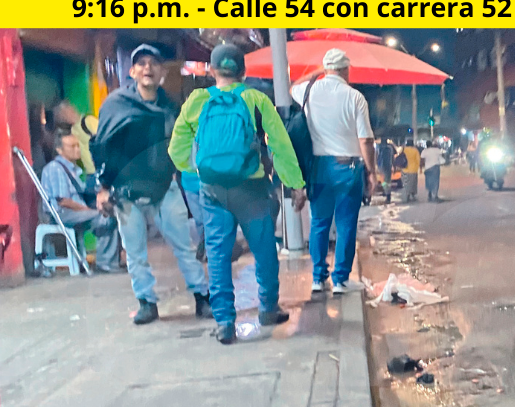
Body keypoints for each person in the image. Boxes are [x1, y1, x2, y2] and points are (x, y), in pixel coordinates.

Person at [170, 43, 307, 344]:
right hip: (252, 188)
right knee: (264, 250)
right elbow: (280, 146)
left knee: (218, 256)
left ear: (212, 70)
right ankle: (268, 308)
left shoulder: (196, 100)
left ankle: (224, 322)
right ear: (243, 72)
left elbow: (177, 149)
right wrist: (295, 184)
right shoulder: (256, 98)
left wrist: (197, 173)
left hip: (213, 191)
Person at [91, 44, 210, 325]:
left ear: (161, 73)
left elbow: (182, 145)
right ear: (132, 72)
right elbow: (101, 147)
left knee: (184, 247)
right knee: (135, 253)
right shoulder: (116, 105)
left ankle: (202, 298)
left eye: (153, 63)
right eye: (141, 63)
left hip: (163, 189)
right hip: (126, 194)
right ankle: (146, 302)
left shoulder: (171, 107)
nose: (147, 68)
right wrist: (103, 188)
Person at [291, 48, 377, 295]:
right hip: (348, 167)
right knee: (346, 225)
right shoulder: (355, 97)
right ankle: (340, 280)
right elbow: (366, 140)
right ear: (346, 70)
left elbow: (293, 86)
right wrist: (371, 172)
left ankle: (318, 278)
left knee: (319, 223)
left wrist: (319, 71)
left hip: (318, 167)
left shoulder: (308, 92)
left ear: (327, 69)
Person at [40, 131, 121, 273]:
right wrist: (88, 210)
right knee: (104, 216)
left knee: (111, 214)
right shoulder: (55, 168)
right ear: (59, 150)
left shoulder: (74, 169)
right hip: (62, 214)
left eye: (78, 145)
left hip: (75, 211)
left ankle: (109, 262)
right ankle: (105, 264)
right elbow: (63, 201)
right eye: (72, 146)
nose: (77, 149)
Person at [374, 137, 395, 204]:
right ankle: (387, 194)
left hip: (381, 166)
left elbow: (376, 156)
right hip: (388, 165)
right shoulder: (390, 148)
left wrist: (375, 165)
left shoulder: (378, 147)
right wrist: (394, 165)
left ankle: (387, 193)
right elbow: (392, 157)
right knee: (388, 181)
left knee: (383, 181)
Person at [399, 138, 421, 203]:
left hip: (405, 169)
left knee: (406, 182)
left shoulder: (404, 150)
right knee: (413, 183)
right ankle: (413, 195)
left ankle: (407, 195)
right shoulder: (415, 150)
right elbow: (418, 160)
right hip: (413, 169)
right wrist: (418, 167)